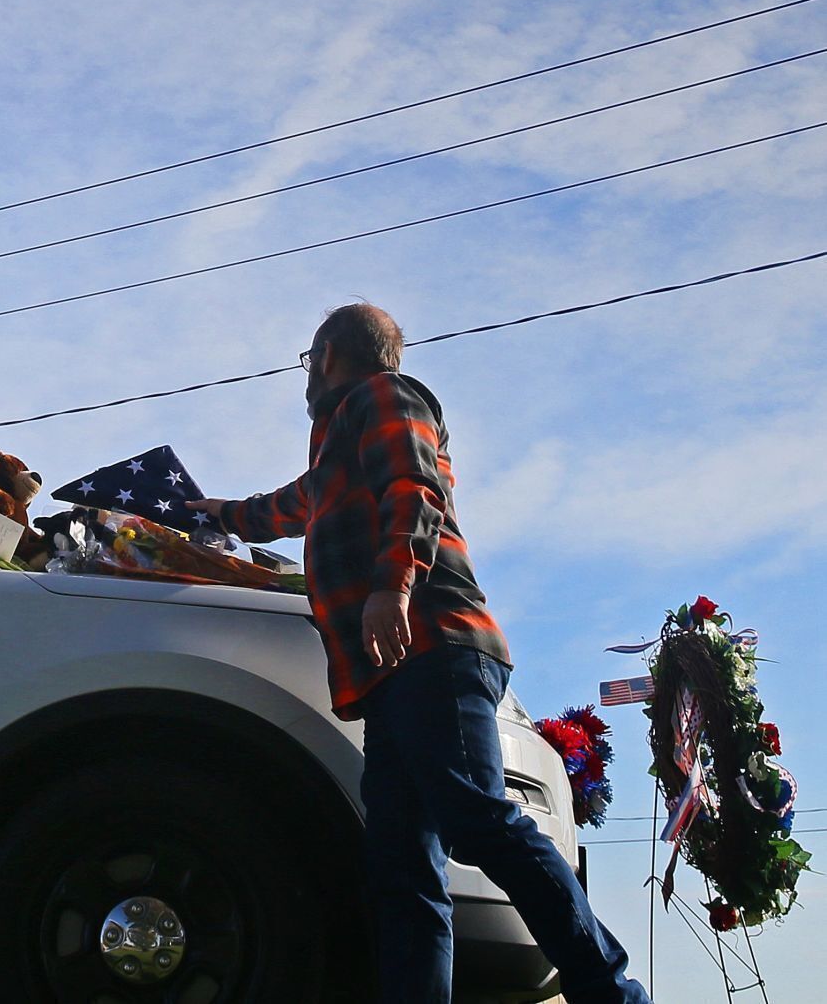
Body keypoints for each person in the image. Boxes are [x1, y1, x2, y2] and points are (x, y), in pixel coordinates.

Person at [187, 303, 649, 1003]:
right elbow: (289, 505)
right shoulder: (341, 444)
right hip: (394, 672)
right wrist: (213, 513)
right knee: (404, 868)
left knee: (475, 819)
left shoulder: (386, 397)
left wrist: (393, 586)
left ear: (331, 354)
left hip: (435, 648)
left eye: (309, 360)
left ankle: (612, 990)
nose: (307, 376)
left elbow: (415, 487)